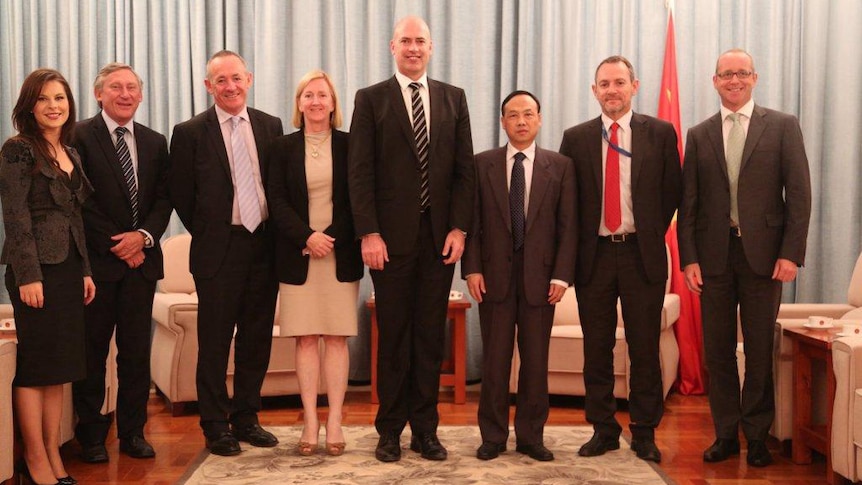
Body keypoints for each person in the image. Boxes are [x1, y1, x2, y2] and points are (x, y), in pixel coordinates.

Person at [348, 15, 475, 462]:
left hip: (440, 242)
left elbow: (465, 171)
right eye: (406, 41)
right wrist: (369, 232)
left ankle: (426, 430)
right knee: (395, 336)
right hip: (389, 242)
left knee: (429, 337)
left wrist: (460, 227)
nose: (414, 48)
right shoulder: (370, 100)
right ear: (392, 46)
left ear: (432, 47)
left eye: (421, 41)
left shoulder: (454, 98)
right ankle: (389, 432)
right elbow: (359, 172)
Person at [678, 48, 811, 468]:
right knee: (716, 353)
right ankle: (724, 435)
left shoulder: (783, 126)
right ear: (714, 81)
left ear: (755, 77)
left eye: (741, 73)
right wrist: (689, 258)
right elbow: (690, 203)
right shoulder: (699, 134)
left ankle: (756, 437)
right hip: (714, 258)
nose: (733, 81)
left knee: (757, 350)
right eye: (725, 74)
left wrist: (791, 253)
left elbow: (800, 196)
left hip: (765, 258)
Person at [559, 55, 681, 463]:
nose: (612, 90)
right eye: (604, 84)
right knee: (597, 347)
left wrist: (644, 231)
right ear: (594, 91)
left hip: (641, 255)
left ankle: (645, 432)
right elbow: (567, 202)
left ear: (635, 86)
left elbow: (671, 192)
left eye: (619, 82)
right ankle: (604, 429)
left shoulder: (660, 134)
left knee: (644, 348)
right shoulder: (575, 138)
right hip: (592, 258)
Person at [169, 50, 283, 456]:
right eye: (221, 80)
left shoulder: (271, 125)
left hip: (265, 246)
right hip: (218, 250)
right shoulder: (189, 132)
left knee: (256, 339)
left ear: (248, 79)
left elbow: (277, 184)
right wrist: (212, 230)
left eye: (236, 78)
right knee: (215, 341)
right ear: (208, 86)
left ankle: (247, 417)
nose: (230, 86)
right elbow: (182, 194)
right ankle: (215, 424)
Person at [463, 90, 576, 462]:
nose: (522, 121)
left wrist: (561, 276)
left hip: (541, 282)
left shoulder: (560, 166)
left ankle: (531, 436)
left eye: (529, 114)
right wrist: (472, 268)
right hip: (493, 278)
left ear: (540, 119)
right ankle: (492, 436)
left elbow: (568, 227)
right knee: (494, 362)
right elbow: (473, 224)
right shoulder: (483, 165)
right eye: (514, 115)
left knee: (535, 362)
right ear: (502, 122)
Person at [71, 62, 172, 463]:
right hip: (98, 266)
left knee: (135, 353)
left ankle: (133, 433)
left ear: (141, 95)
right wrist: (119, 243)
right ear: (100, 94)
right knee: (93, 352)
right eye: (116, 87)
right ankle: (92, 436)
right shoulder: (78, 135)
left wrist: (142, 238)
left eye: (132, 87)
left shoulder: (155, 141)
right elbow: (81, 199)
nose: (125, 94)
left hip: (142, 264)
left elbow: (165, 198)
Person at [0, 68, 96, 485]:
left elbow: (76, 217)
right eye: (44, 99)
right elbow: (15, 216)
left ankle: (55, 454)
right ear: (29, 106)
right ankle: (35, 459)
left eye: (60, 97)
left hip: (70, 268)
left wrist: (86, 270)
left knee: (61, 368)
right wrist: (28, 275)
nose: (54, 106)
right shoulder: (18, 150)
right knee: (38, 368)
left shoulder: (70, 152)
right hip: (35, 271)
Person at [267, 70, 362, 457]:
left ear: (333, 103)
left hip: (339, 256)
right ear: (299, 103)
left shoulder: (352, 145)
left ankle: (335, 420)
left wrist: (329, 238)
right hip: (297, 254)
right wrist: (306, 236)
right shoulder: (281, 147)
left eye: (323, 94)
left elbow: (360, 199)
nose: (316, 101)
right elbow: (275, 200)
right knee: (305, 338)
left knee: (336, 338)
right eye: (309, 95)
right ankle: (309, 420)